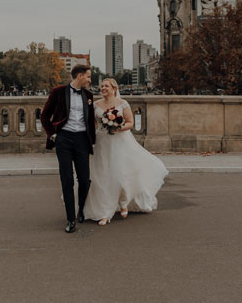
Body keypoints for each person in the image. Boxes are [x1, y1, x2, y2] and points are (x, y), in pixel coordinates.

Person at [84, 78, 168, 225]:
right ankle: (104, 211)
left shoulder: (123, 104)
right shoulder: (95, 105)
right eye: (101, 86)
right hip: (102, 142)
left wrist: (116, 127)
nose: (103, 88)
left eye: (106, 86)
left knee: (120, 174)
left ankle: (123, 202)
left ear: (114, 88)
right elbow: (93, 125)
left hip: (120, 142)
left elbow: (130, 123)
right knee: (102, 176)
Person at [40, 64, 96, 233]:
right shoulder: (58, 92)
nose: (89, 79)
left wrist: (91, 140)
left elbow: (90, 120)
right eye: (88, 76)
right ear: (79, 76)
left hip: (81, 140)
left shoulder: (89, 95)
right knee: (67, 180)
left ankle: (81, 210)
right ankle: (70, 219)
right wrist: (53, 134)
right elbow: (44, 116)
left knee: (84, 180)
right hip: (64, 138)